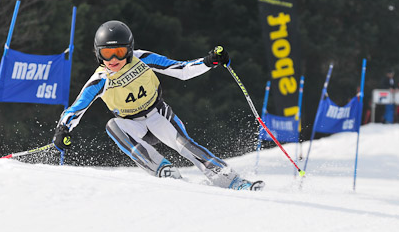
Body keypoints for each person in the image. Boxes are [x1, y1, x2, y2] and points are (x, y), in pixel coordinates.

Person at [52, 20, 264, 191]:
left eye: (119, 51)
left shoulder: (142, 58)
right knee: (112, 126)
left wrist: (209, 61)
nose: (114, 59)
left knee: (186, 145)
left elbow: (181, 69)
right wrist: (63, 129)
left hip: (157, 114)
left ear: (129, 49)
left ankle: (232, 180)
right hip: (131, 125)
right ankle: (162, 169)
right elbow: (76, 109)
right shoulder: (100, 79)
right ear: (99, 54)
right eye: (107, 54)